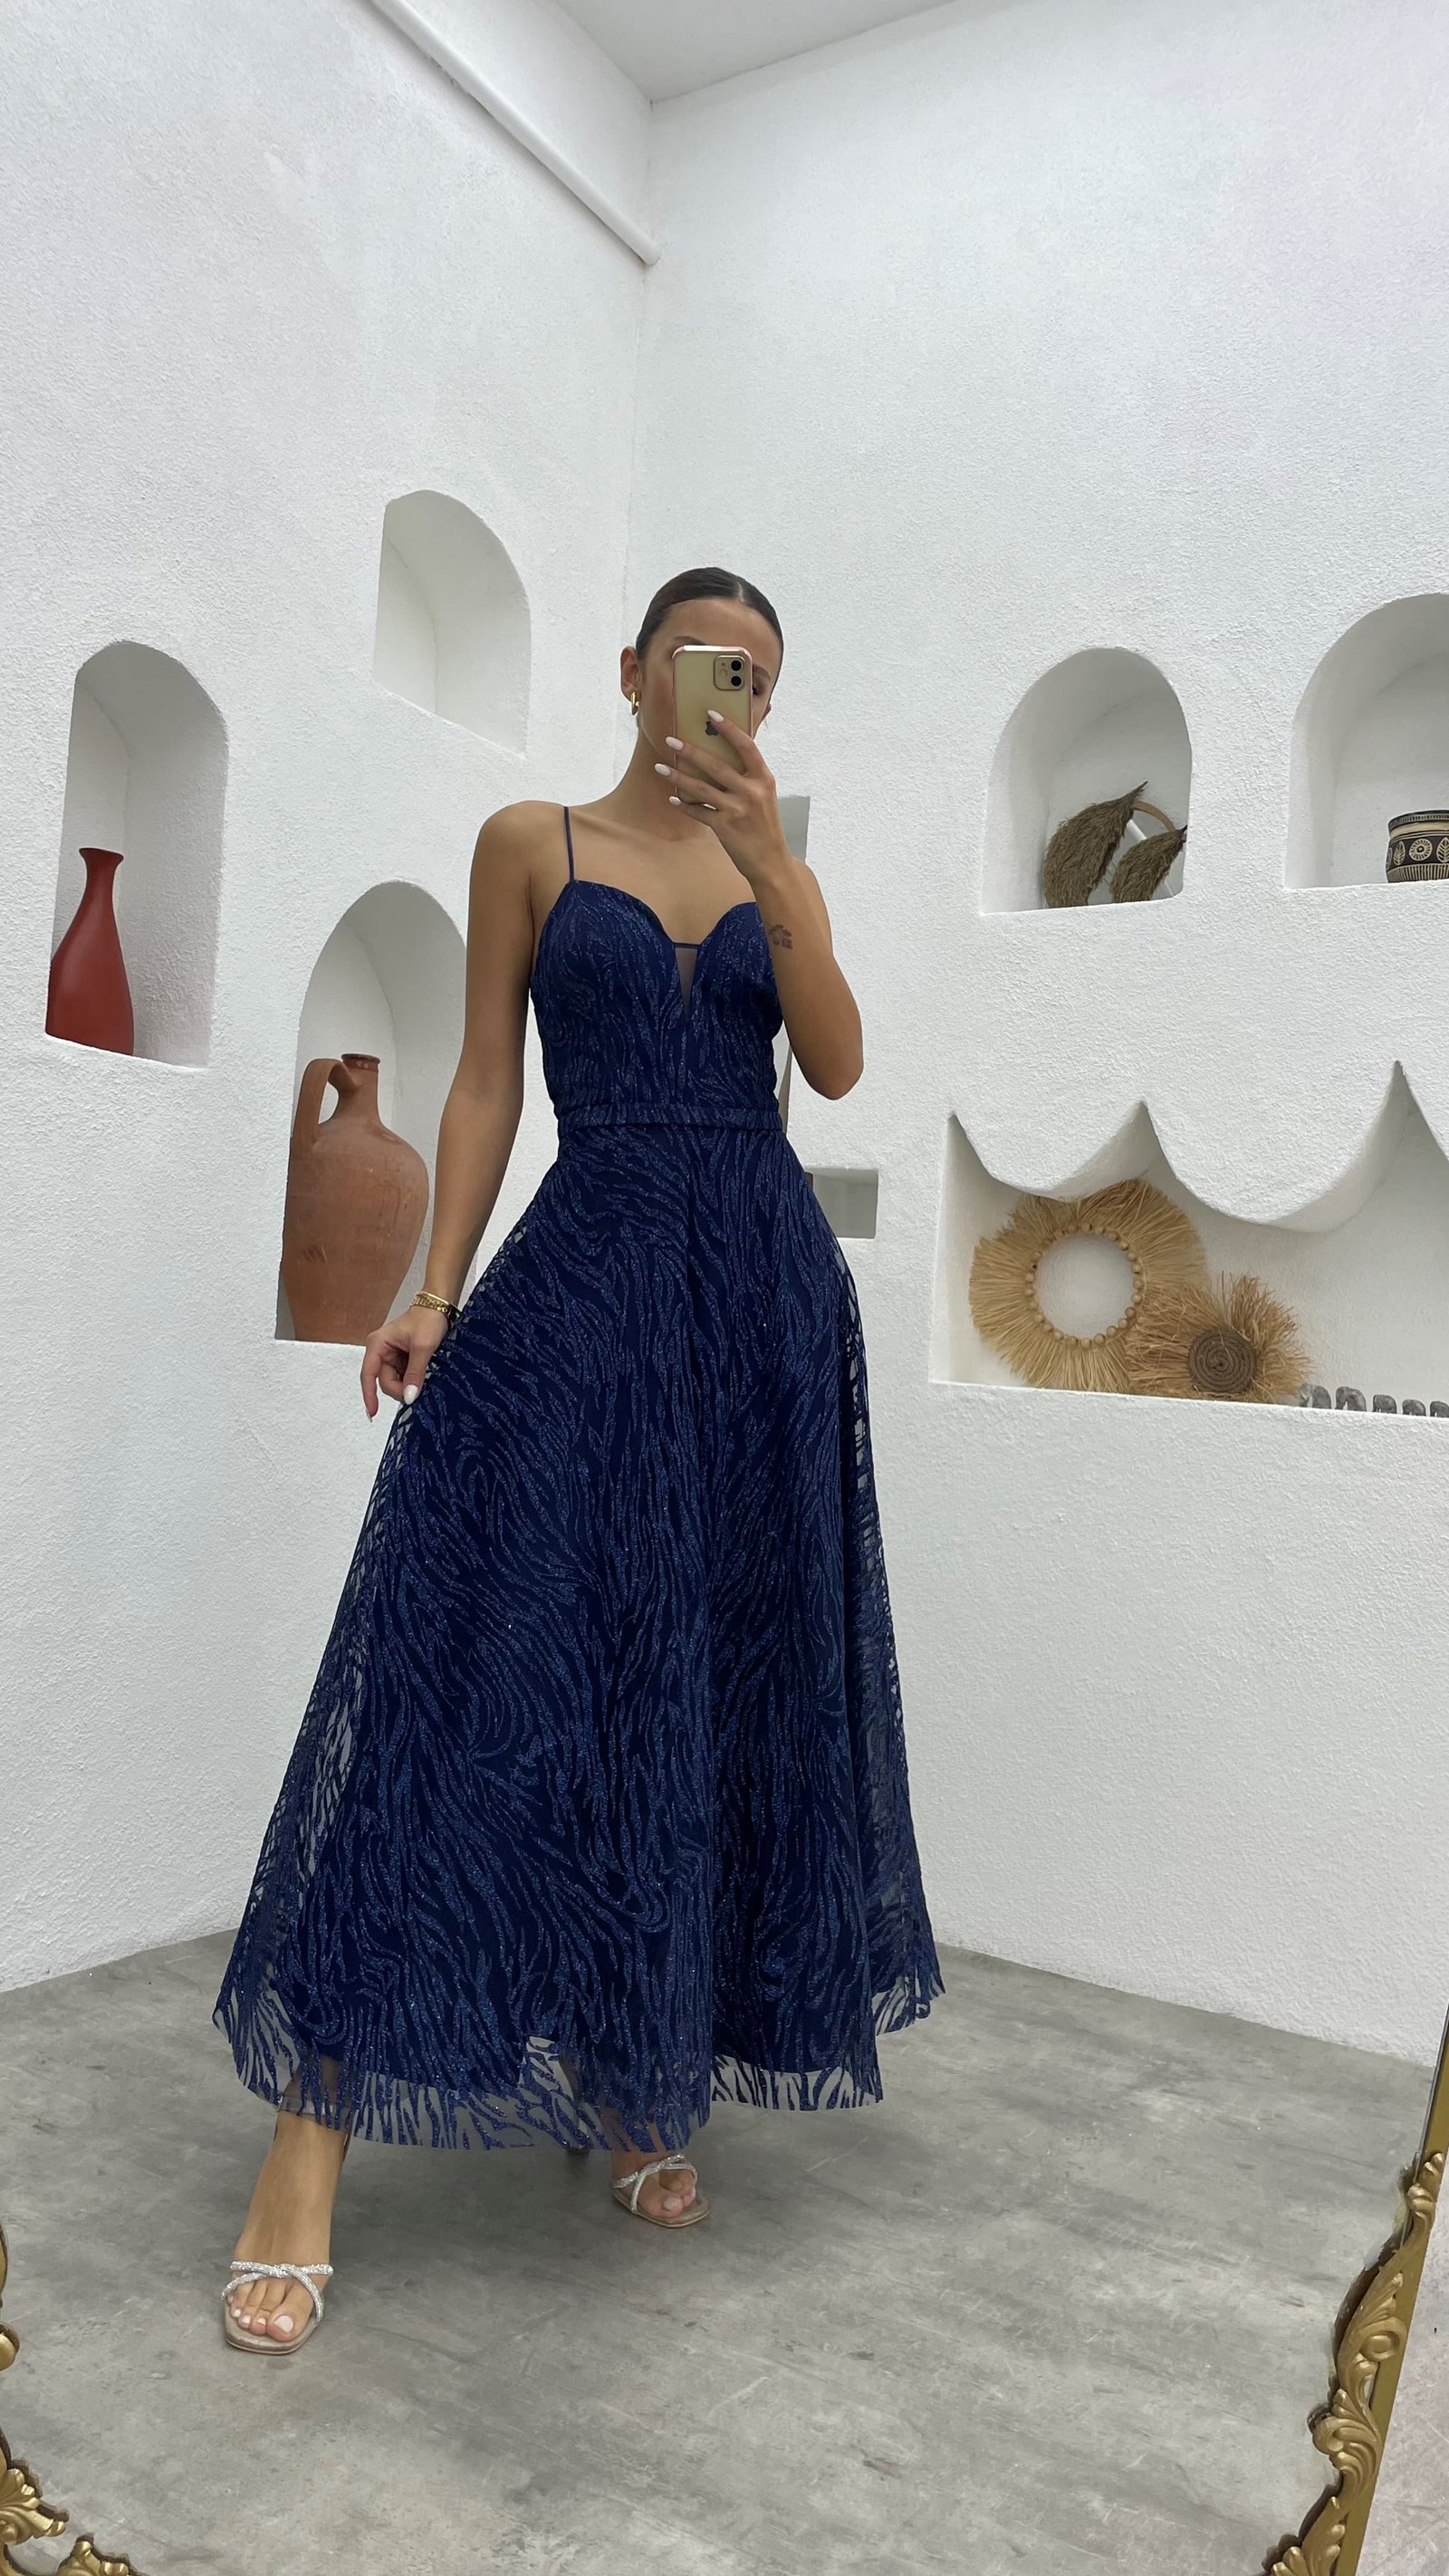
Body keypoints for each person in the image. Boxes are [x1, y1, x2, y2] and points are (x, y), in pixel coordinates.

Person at [214, 565, 944, 2351]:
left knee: (697, 1686)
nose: (727, 691)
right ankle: (306, 2149)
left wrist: (773, 869)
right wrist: (432, 1289)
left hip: (758, 1306)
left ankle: (638, 2079)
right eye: (704, 661)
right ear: (632, 671)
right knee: (471, 1668)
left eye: (756, 675)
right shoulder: (529, 843)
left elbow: (840, 1066)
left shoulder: (777, 867)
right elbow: (484, 1083)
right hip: (586, 1275)